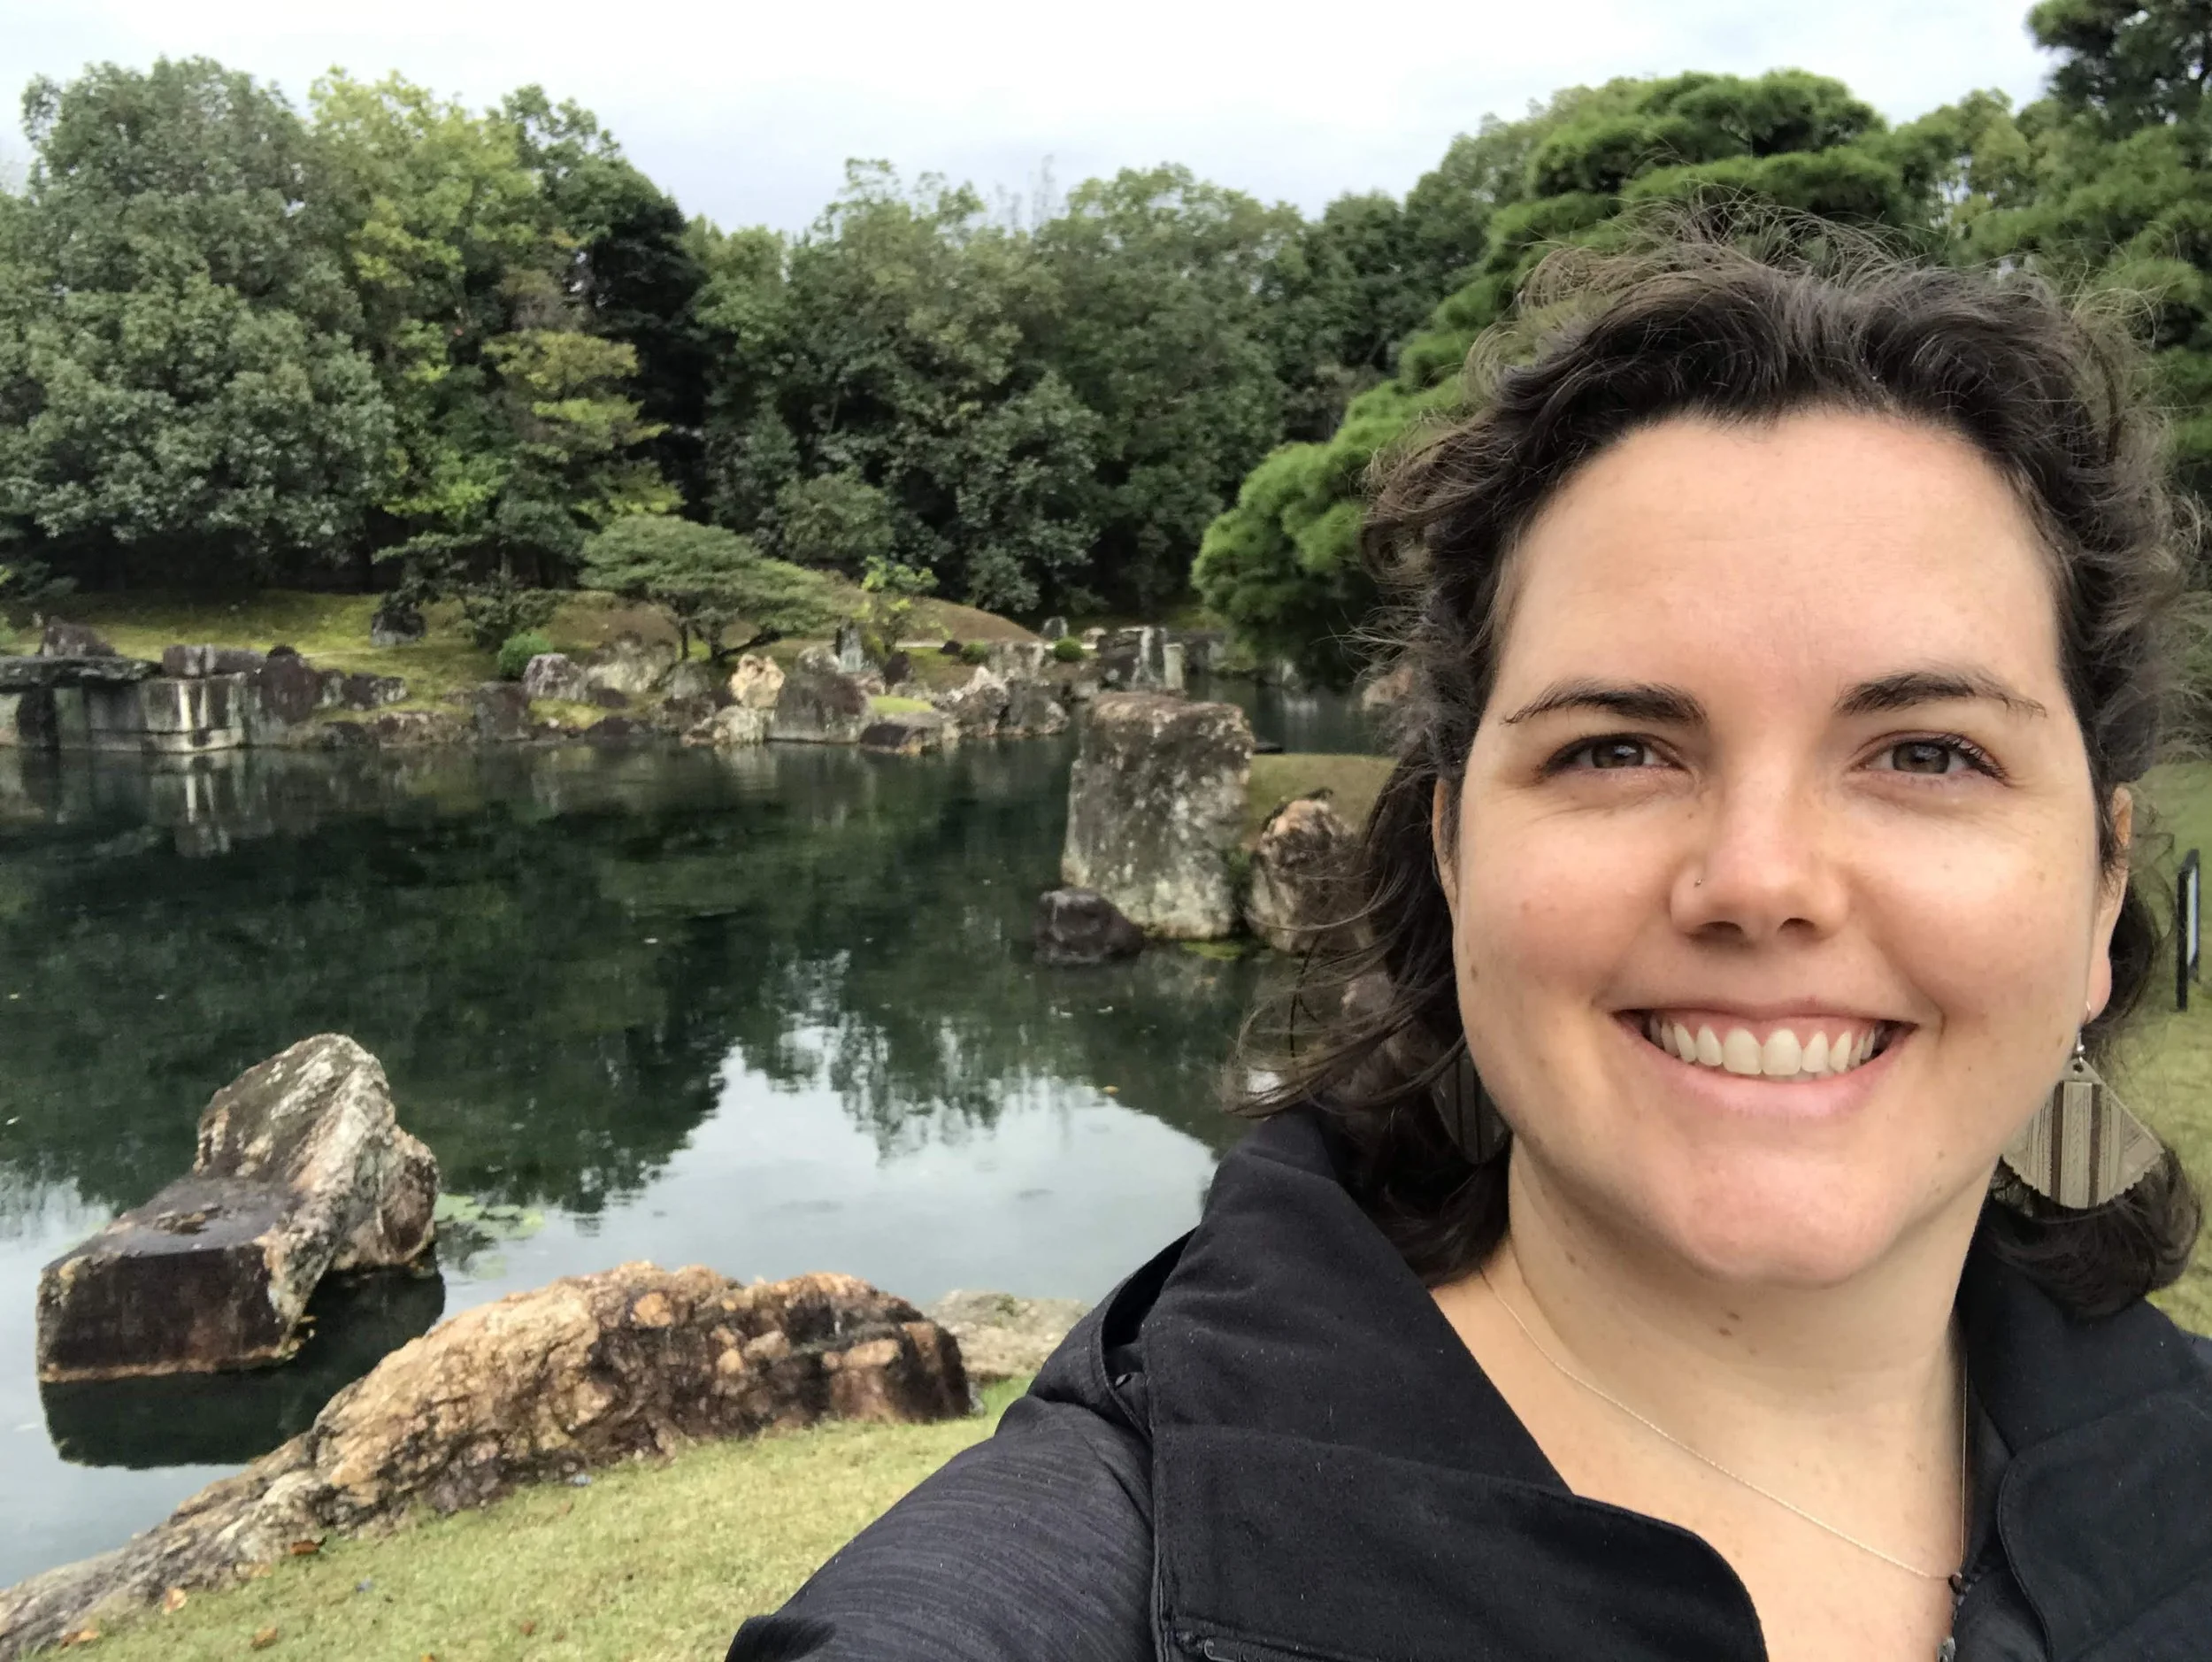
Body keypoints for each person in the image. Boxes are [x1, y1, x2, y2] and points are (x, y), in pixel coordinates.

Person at [726, 228, 2212, 1662]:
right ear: (1451, 853)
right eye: (1619, 747)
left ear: (2100, 882)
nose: (1762, 880)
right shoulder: (1097, 1576)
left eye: (1930, 753)